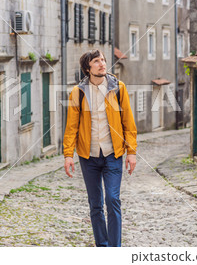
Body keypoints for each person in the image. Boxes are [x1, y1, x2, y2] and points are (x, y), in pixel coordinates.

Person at [63, 49, 137, 247]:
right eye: (97, 61)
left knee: (112, 200)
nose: (102, 64)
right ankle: (102, 246)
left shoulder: (118, 88)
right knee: (95, 205)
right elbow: (71, 127)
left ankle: (115, 248)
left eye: (103, 60)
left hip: (113, 154)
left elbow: (128, 122)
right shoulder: (77, 93)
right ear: (88, 68)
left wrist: (131, 152)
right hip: (89, 157)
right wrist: (68, 155)